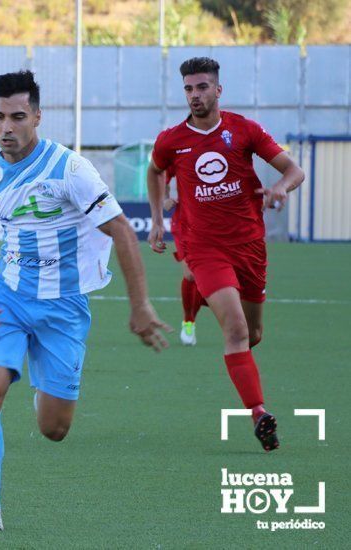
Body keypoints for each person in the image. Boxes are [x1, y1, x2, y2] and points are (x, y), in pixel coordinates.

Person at [0, 71, 169, 535]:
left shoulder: (70, 170)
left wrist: (140, 305)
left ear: (38, 117)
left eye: (18, 117)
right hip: (7, 300)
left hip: (65, 308)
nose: (6, 127)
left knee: (54, 428)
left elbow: (123, 231)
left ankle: (40, 382)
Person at [147, 57, 305, 452]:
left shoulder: (244, 130)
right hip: (203, 247)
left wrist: (281, 188)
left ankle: (203, 302)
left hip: (249, 245)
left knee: (252, 335)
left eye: (202, 87)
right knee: (234, 330)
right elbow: (155, 170)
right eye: (188, 88)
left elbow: (294, 170)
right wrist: (156, 219)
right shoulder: (171, 139)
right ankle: (259, 414)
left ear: (218, 90)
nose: (194, 95)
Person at [161, 170, 206, 345]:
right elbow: (161, 174)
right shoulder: (180, 146)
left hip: (216, 221)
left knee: (211, 282)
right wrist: (165, 198)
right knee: (190, 275)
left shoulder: (224, 148)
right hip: (185, 222)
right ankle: (189, 321)